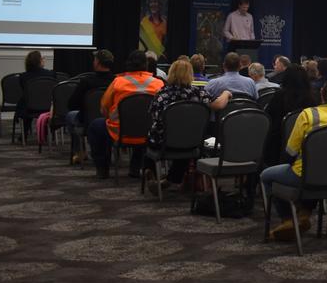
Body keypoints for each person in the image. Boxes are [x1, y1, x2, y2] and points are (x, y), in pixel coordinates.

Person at [262, 78, 327, 240]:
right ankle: (304, 213)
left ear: (321, 93)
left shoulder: (308, 115)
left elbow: (290, 152)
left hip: (304, 175)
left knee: (266, 175)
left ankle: (287, 219)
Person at [144, 59, 231, 195]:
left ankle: (152, 174)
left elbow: (154, 118)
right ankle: (172, 179)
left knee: (151, 138)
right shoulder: (198, 93)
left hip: (163, 143)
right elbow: (219, 105)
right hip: (191, 143)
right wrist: (226, 93)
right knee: (185, 141)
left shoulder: (161, 94)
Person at [87, 50, 164, 180]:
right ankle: (135, 167)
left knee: (95, 126)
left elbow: (104, 108)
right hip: (147, 134)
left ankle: (103, 168)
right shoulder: (159, 84)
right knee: (144, 123)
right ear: (146, 64)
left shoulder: (118, 82)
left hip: (119, 133)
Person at [66, 49, 117, 163]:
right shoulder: (116, 81)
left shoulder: (86, 82)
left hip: (87, 121)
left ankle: (80, 152)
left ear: (97, 63)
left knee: (70, 115)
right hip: (111, 121)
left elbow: (72, 104)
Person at [264, 63, 317, 164]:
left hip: (278, 146)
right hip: (305, 145)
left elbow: (268, 117)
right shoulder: (313, 98)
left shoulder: (279, 96)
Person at [15, 50, 55, 138]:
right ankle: (45, 133)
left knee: (25, 102)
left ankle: (24, 134)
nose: (44, 60)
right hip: (48, 107)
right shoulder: (51, 75)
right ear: (39, 61)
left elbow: (25, 92)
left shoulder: (23, 76)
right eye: (42, 58)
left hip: (29, 107)